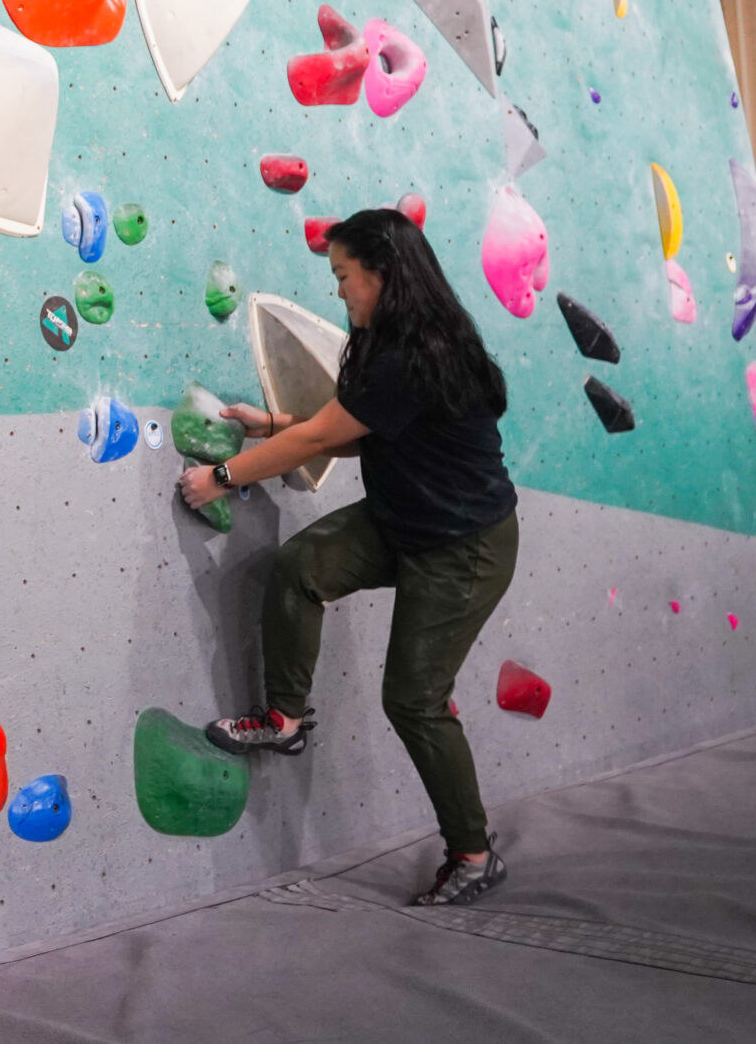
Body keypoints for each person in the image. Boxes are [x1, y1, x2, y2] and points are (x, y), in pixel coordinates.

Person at [178, 206, 520, 906]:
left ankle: (474, 852)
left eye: (343, 275)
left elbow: (321, 440)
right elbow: (358, 427)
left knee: (414, 699)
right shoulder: (388, 338)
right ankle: (285, 719)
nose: (338, 289)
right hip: (406, 520)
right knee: (301, 566)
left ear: (382, 274)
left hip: (465, 548)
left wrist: (221, 475)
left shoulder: (415, 350)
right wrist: (273, 423)